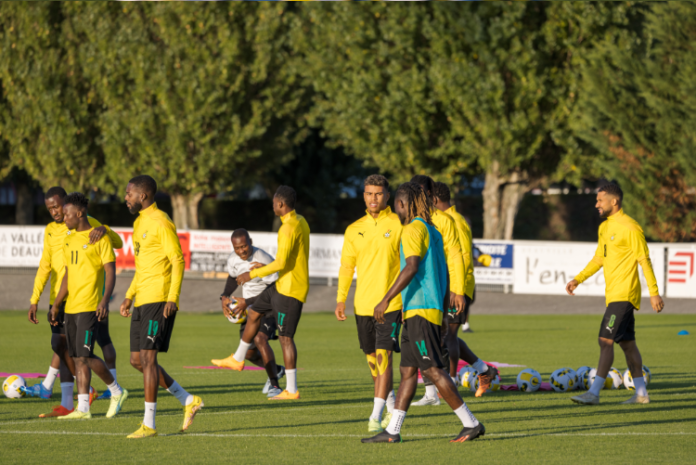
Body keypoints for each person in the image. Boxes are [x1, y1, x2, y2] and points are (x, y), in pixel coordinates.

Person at [362, 182, 485, 444]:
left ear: (403, 204)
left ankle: (471, 423)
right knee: (407, 372)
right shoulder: (432, 229)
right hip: (421, 310)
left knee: (431, 370)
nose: (395, 207)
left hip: (421, 308)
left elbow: (411, 266)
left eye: (396, 202)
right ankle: (393, 431)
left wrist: (385, 300)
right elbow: (441, 272)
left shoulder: (413, 229)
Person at [25, 186, 123, 417]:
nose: (55, 213)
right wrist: (42, 300)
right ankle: (75, 405)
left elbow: (114, 254)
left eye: (57, 207)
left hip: (90, 301)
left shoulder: (92, 229)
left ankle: (110, 390)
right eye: (49, 209)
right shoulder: (57, 233)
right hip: (65, 302)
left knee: (81, 352)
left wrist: (104, 228)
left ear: (71, 208)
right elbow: (50, 268)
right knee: (66, 349)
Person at [120, 175, 203, 438]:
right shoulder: (138, 223)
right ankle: (188, 399)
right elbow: (143, 266)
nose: (126, 197)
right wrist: (129, 295)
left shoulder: (161, 222)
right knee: (137, 361)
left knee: (148, 358)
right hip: (142, 299)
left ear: (142, 196)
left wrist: (172, 297)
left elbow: (177, 260)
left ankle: (149, 425)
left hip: (159, 299)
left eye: (129, 193)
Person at [567, 183, 664, 405]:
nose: (596, 204)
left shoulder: (630, 227)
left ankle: (594, 393)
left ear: (614, 201)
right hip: (614, 296)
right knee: (628, 344)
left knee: (605, 341)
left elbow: (644, 260)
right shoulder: (604, 228)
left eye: (600, 200)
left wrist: (654, 293)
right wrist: (578, 279)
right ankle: (641, 394)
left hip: (624, 295)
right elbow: (599, 258)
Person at [224, 186, 310, 401]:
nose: (272, 206)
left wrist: (252, 274)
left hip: (290, 289)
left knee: (285, 339)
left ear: (280, 204)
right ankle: (238, 357)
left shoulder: (288, 227)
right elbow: (286, 261)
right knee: (253, 313)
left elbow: (280, 262)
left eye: (273, 203)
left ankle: (291, 390)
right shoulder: (299, 220)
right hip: (280, 286)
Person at [49, 192, 128, 420]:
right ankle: (83, 409)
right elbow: (67, 275)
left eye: (67, 214)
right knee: (76, 357)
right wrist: (57, 303)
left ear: (80, 213)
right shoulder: (68, 239)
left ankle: (116, 390)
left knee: (85, 354)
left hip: (90, 305)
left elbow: (110, 271)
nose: (64, 218)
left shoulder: (99, 238)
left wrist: (104, 300)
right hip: (71, 307)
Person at [335, 174, 403, 433]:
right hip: (362, 306)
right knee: (373, 362)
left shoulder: (399, 223)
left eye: (378, 194)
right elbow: (346, 267)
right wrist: (341, 298)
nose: (373, 198)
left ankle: (375, 417)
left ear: (387, 195)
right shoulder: (354, 229)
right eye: (368, 194)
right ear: (363, 195)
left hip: (390, 305)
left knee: (385, 358)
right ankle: (392, 404)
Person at [433, 182, 497, 396]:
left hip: (457, 285)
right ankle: (484, 370)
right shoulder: (449, 219)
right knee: (445, 335)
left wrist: (457, 289)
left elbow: (462, 256)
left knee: (448, 337)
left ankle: (449, 385)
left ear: (433, 200)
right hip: (450, 284)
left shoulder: (454, 222)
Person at [211, 228, 286, 397]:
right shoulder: (233, 259)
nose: (241, 251)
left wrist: (248, 302)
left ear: (250, 242)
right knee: (250, 352)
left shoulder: (262, 258)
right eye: (237, 248)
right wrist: (224, 296)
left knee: (260, 339)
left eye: (244, 246)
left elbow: (276, 288)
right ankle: (278, 370)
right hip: (249, 309)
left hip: (269, 307)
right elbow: (232, 277)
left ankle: (275, 386)